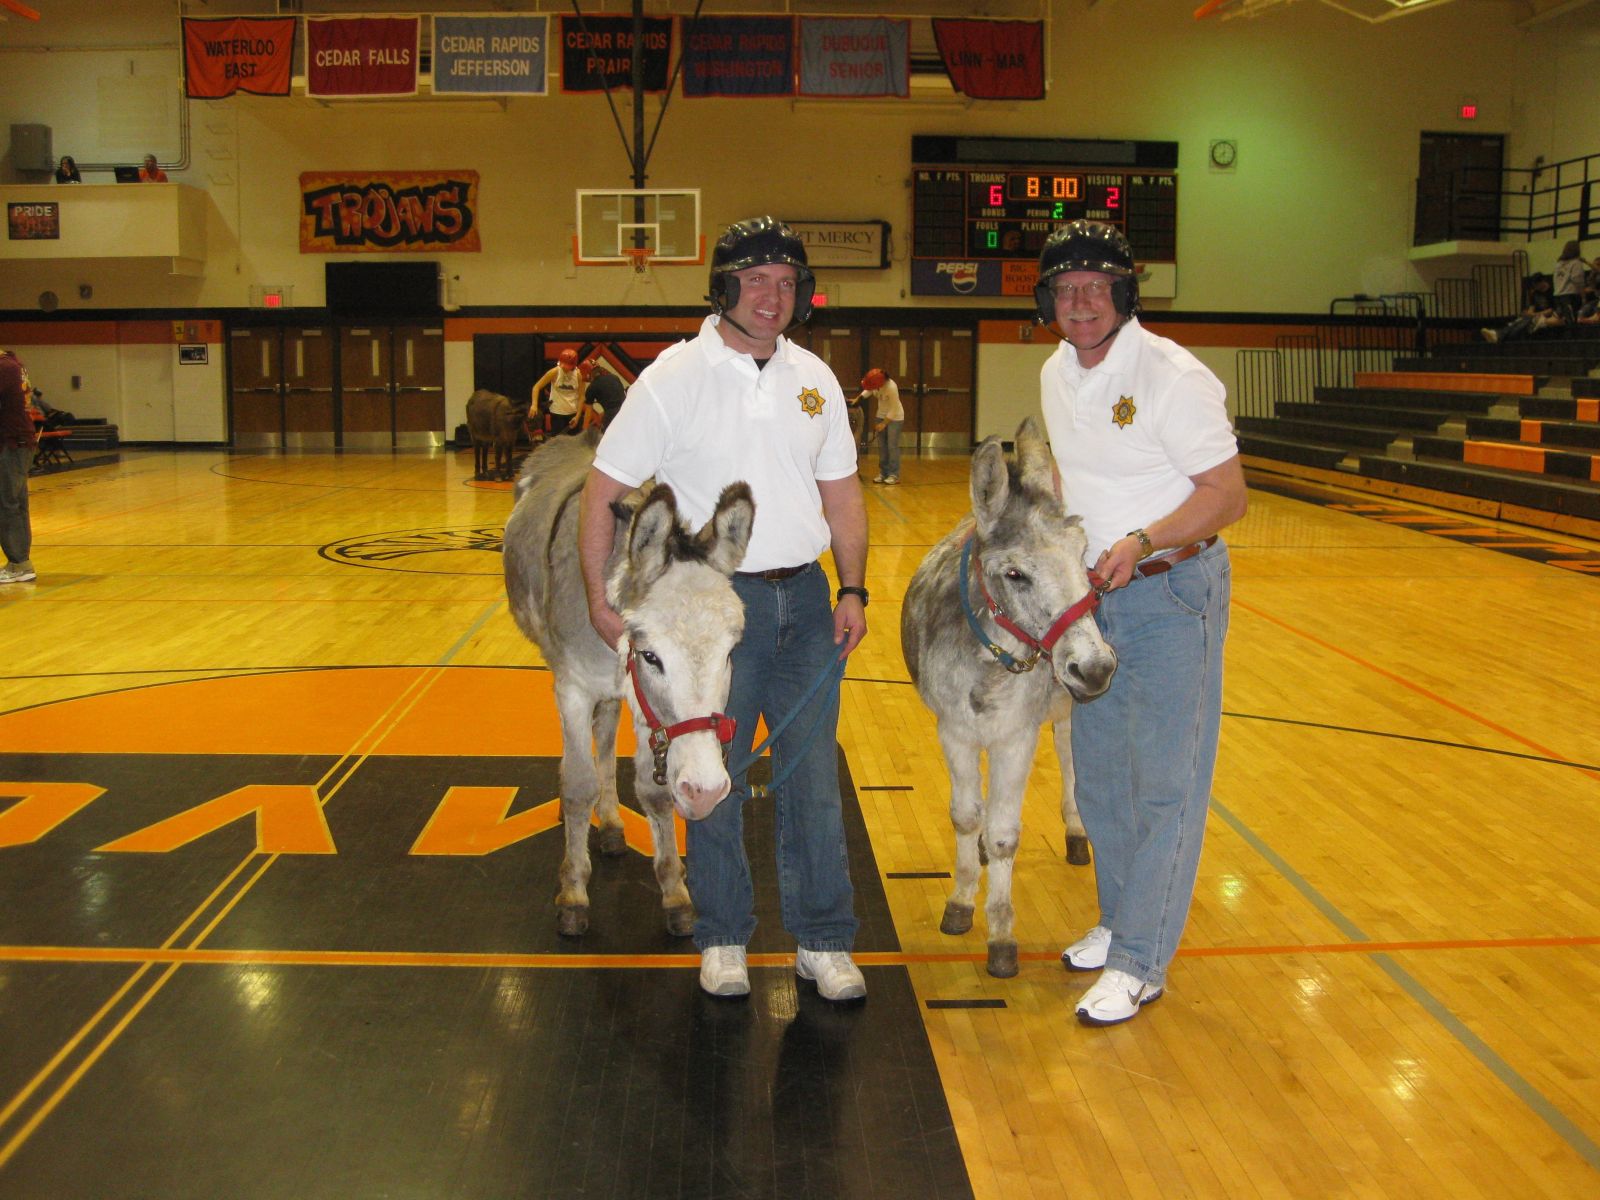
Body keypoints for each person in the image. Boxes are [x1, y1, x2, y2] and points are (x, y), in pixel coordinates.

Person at [577, 216, 870, 1003]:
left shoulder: (816, 379)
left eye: (787, 282)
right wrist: (608, 602)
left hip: (806, 599)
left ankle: (824, 940)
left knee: (812, 777)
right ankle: (724, 937)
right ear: (725, 288)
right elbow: (603, 492)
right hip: (708, 606)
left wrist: (850, 587)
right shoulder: (673, 377)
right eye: (757, 281)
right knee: (711, 775)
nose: (773, 297)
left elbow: (842, 496)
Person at [1033, 220, 1247, 1027]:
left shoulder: (1170, 374)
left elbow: (1227, 495)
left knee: (1164, 785)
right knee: (1101, 782)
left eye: (1095, 287)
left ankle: (1142, 960)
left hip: (1170, 592)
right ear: (1047, 300)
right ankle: (1122, 920)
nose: (1080, 303)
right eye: (1065, 289)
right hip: (1093, 603)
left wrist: (1143, 539)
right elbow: (1071, 469)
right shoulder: (1057, 371)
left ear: (1124, 294)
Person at [1, 348, 38, 585]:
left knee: (7, 503)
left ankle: (19, 563)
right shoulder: (13, 364)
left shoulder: (3, 368)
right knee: (16, 503)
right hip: (19, 440)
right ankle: (19, 561)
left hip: (11, 442)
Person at [1482, 274, 1563, 343]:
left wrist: (1533, 314)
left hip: (1545, 317)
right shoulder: (1535, 293)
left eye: (1536, 285)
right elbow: (1531, 309)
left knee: (1525, 322)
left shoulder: (1552, 291)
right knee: (1520, 321)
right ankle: (1497, 334)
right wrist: (1529, 314)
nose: (1535, 288)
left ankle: (1498, 335)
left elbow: (1550, 311)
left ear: (1542, 282)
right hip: (1535, 315)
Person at [856, 368, 903, 484]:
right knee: (882, 447)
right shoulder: (876, 385)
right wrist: (858, 399)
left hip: (895, 418)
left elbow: (894, 409)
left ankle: (894, 474)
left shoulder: (892, 387)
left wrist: (884, 424)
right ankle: (883, 473)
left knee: (892, 446)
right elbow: (869, 390)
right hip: (880, 415)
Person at [531, 349, 585, 437]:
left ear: (573, 365)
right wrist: (534, 404)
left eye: (566, 364)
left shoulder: (579, 375)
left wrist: (578, 416)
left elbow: (581, 396)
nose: (563, 366)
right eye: (562, 363)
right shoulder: (554, 372)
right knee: (558, 442)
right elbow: (536, 387)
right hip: (557, 413)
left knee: (574, 444)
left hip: (573, 413)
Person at [1553, 240, 1589, 321]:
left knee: (1563, 320)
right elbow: (1577, 279)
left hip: (1558, 295)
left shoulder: (1558, 264)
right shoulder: (1576, 263)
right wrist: (1583, 295)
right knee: (1572, 321)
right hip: (1570, 296)